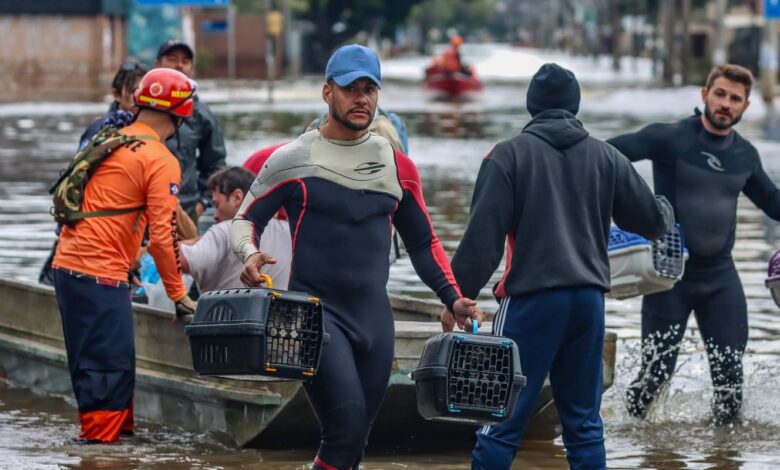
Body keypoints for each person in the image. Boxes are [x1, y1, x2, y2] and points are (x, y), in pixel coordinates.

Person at [231, 44, 481, 470]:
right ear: (327, 92)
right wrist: (250, 254)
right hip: (316, 318)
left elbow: (423, 243)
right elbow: (244, 220)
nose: (361, 98)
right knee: (344, 432)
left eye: (370, 89)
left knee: (354, 443)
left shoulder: (397, 166)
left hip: (374, 322)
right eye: (350, 89)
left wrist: (452, 297)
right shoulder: (292, 160)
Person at [449, 63, 674, 469]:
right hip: (588, 304)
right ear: (575, 105)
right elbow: (652, 222)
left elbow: (482, 243)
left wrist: (455, 297)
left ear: (531, 106)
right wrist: (667, 206)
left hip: (531, 303)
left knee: (500, 420)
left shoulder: (506, 156)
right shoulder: (607, 156)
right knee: (584, 425)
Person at [607, 64, 780, 425]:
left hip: (720, 279)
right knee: (654, 377)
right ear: (705, 95)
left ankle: (724, 452)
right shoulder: (670, 138)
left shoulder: (745, 155)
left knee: (730, 382)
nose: (726, 104)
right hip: (668, 277)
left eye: (735, 98)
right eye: (720, 94)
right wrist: (628, 209)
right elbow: (605, 156)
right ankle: (632, 438)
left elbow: (773, 203)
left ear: (746, 106)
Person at [51, 68, 198, 443]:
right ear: (182, 112)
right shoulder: (159, 158)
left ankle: (115, 447)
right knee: (108, 372)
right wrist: (179, 295)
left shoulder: (114, 137)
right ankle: (100, 455)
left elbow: (111, 210)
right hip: (98, 274)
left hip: (70, 267)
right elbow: (162, 238)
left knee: (106, 369)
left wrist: (130, 263)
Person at [39, 62, 150, 286]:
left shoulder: (151, 132)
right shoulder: (103, 132)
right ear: (116, 94)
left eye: (145, 92)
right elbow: (78, 182)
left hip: (128, 237)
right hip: (91, 240)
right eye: (134, 92)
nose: (140, 99)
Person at [180, 166, 291, 292]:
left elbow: (180, 260)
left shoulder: (224, 230)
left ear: (237, 198)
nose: (215, 215)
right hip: (283, 304)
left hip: (228, 305)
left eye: (217, 204)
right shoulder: (289, 231)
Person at [155, 39, 226, 221]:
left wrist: (201, 204)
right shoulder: (141, 106)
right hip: (144, 209)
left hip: (185, 210)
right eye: (172, 59)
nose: (179, 65)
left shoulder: (201, 114)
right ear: (157, 65)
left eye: (185, 61)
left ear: (191, 69)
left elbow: (216, 164)